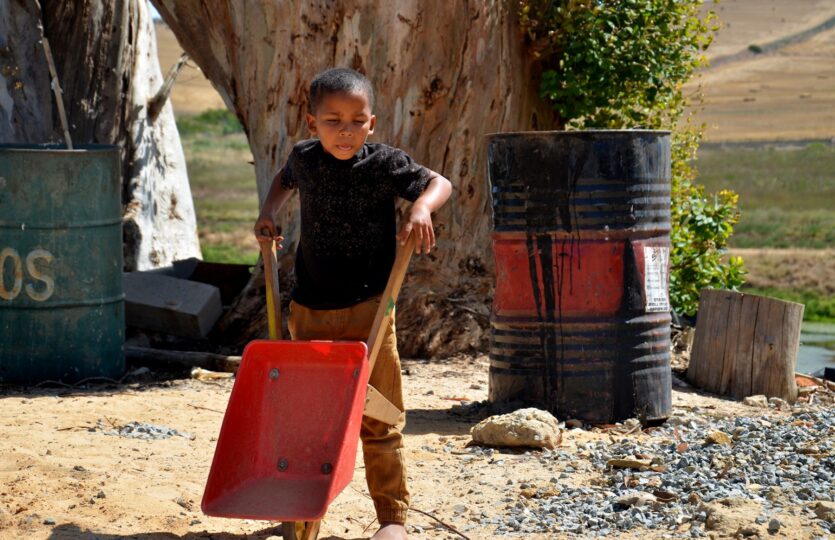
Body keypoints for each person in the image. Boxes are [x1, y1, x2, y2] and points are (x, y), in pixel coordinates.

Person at [253, 67, 452, 540]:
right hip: (310, 309)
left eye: (356, 121)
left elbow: (438, 182)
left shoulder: (384, 163)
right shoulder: (304, 158)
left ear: (372, 123)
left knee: (379, 416)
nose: (345, 131)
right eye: (332, 121)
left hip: (371, 310)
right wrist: (268, 211)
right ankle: (303, 508)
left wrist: (421, 207)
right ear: (311, 123)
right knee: (310, 418)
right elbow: (284, 180)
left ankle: (391, 520)